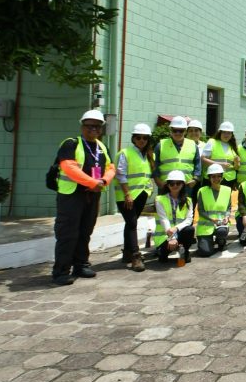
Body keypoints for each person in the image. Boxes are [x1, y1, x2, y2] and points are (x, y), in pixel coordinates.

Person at [52, 110, 117, 285]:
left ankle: (81, 264)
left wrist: (103, 180)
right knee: (68, 233)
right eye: (89, 126)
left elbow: (111, 167)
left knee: (85, 231)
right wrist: (91, 182)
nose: (93, 129)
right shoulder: (71, 144)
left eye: (97, 126)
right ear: (82, 126)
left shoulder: (102, 147)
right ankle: (61, 271)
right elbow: (69, 167)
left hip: (92, 196)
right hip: (71, 196)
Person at [114, 122, 153, 272]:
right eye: (138, 137)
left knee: (131, 223)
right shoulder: (125, 153)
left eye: (145, 138)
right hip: (127, 195)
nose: (142, 140)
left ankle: (127, 253)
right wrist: (127, 194)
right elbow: (121, 174)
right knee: (132, 223)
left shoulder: (148, 155)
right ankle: (136, 255)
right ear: (133, 138)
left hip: (141, 193)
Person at [154, 169, 195, 264]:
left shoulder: (188, 201)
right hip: (164, 237)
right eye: (172, 183)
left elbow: (189, 220)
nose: (175, 186)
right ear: (167, 185)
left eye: (178, 183)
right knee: (163, 261)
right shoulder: (159, 199)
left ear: (183, 184)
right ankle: (162, 252)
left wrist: (175, 228)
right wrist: (171, 237)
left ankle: (185, 251)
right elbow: (163, 219)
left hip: (177, 232)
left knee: (190, 229)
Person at [154, 116, 200, 196]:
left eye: (181, 131)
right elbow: (154, 165)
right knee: (165, 208)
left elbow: (197, 164)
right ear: (170, 131)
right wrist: (158, 182)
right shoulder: (160, 145)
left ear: (185, 131)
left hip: (186, 185)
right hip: (166, 186)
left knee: (185, 208)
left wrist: (195, 179)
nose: (177, 133)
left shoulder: (193, 145)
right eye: (175, 130)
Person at [194, 163, 233, 255]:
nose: (216, 179)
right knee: (205, 252)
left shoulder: (227, 190)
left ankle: (221, 241)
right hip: (205, 227)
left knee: (222, 231)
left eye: (219, 176)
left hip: (221, 225)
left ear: (222, 177)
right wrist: (212, 219)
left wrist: (227, 217)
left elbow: (228, 207)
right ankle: (208, 242)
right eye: (213, 176)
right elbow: (201, 210)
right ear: (209, 177)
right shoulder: (202, 191)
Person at [203, 121, 239, 188]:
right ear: (220, 133)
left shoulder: (232, 146)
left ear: (232, 134)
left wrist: (236, 164)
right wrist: (220, 164)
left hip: (229, 180)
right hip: (213, 178)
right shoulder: (212, 142)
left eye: (229, 133)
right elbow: (203, 159)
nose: (226, 135)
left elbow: (235, 168)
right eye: (224, 132)